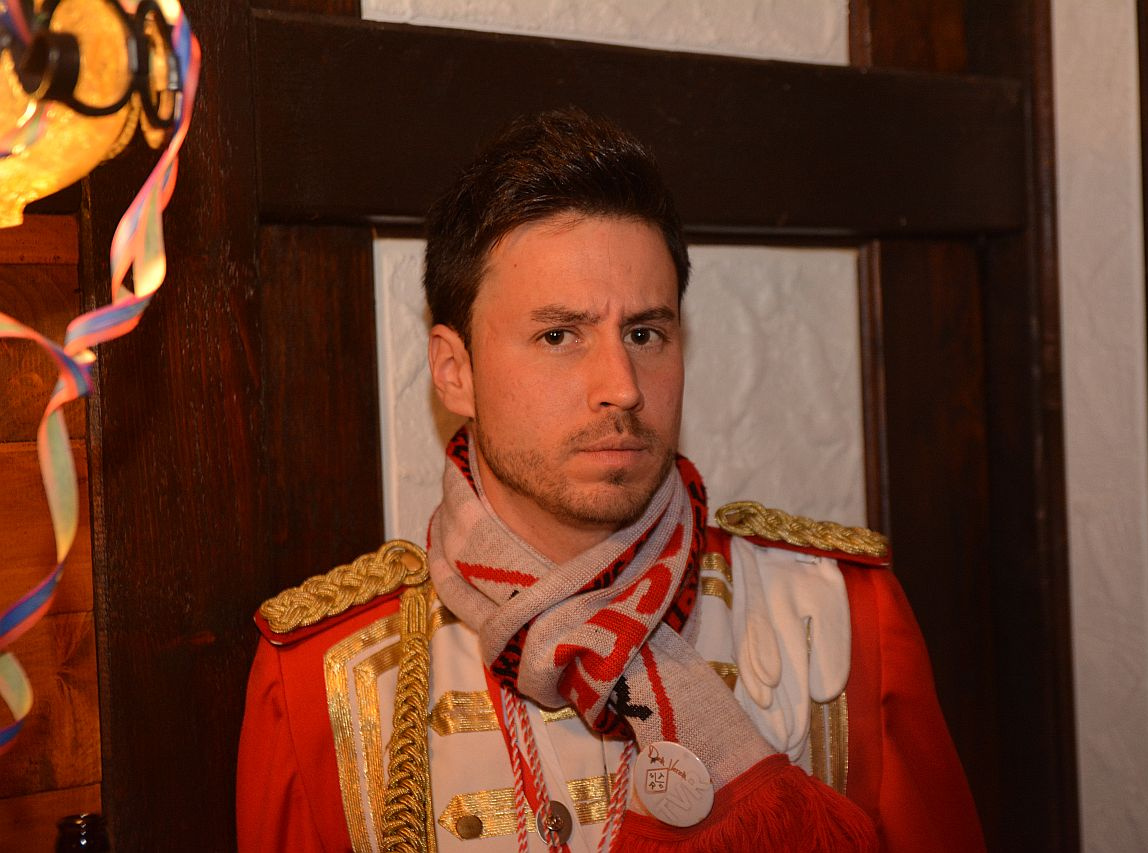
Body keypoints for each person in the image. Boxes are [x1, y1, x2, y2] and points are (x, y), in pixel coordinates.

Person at [236, 109, 986, 853]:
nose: (622, 386)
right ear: (454, 371)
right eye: (559, 335)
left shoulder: (840, 619)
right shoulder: (319, 685)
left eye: (644, 332)